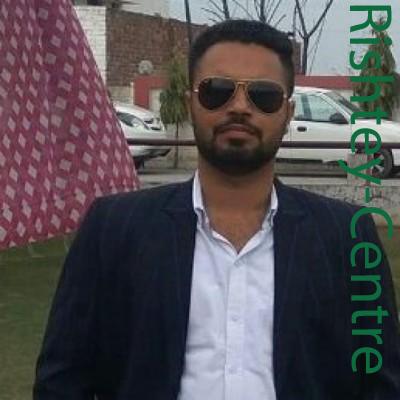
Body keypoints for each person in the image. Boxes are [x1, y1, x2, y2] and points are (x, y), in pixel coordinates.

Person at [33, 20, 400, 400]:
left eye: (263, 95)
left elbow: (381, 381)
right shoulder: (113, 228)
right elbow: (62, 379)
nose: (239, 107)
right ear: (190, 102)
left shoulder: (347, 236)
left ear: (287, 113)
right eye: (217, 91)